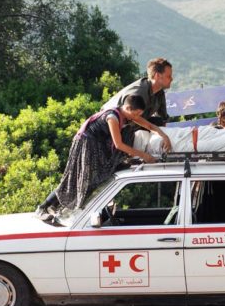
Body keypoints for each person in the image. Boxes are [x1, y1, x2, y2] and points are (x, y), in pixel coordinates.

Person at [35, 95, 171, 221]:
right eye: (135, 114)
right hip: (86, 144)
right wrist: (144, 155)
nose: (136, 117)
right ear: (128, 108)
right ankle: (43, 207)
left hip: (98, 146)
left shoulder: (127, 115)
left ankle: (61, 207)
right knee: (76, 180)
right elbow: (118, 144)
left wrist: (164, 136)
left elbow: (148, 125)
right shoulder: (113, 117)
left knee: (95, 180)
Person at [102, 57, 173, 127]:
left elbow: (163, 119)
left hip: (129, 126)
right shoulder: (139, 91)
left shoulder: (159, 93)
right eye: (169, 76)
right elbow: (131, 115)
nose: (171, 79)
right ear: (157, 76)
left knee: (158, 122)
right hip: (108, 123)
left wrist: (164, 134)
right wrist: (157, 131)